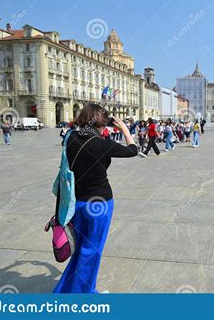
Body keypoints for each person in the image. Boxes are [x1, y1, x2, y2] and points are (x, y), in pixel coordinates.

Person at [53, 103, 138, 293]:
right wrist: (125, 129)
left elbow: (63, 175)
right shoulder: (103, 144)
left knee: (81, 250)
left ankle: (66, 291)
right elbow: (133, 150)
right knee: (91, 252)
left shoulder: (70, 138)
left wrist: (57, 212)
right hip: (99, 205)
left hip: (77, 203)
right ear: (102, 124)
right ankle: (83, 296)